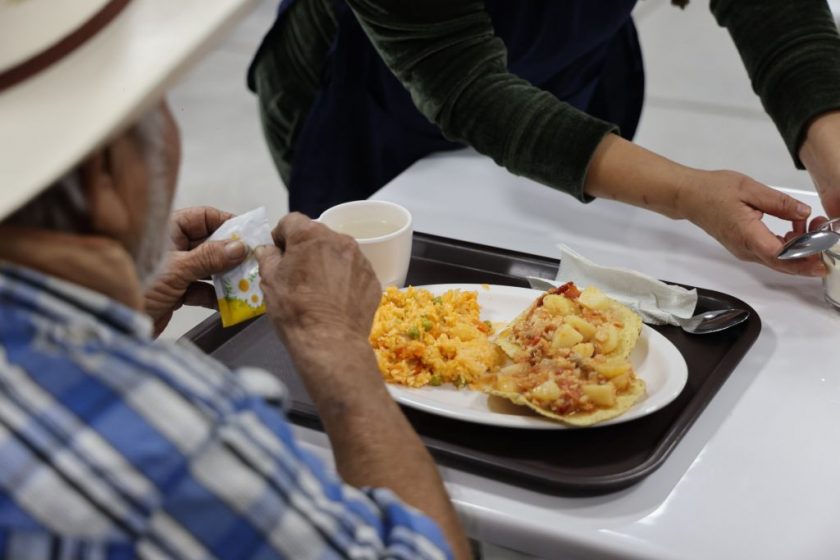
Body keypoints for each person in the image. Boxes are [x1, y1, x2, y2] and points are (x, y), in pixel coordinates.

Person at [0, 2, 468, 558]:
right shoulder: (179, 442)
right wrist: (339, 348)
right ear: (104, 173)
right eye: (160, 109)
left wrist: (121, 305)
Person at [249, 0, 840, 277]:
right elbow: (467, 86)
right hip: (371, 99)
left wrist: (829, 139)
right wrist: (687, 194)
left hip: (567, 60)